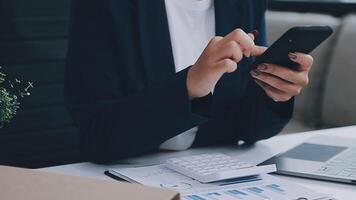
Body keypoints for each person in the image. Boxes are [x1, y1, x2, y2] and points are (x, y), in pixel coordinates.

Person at [65, 0, 313, 163]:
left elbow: (247, 129)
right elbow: (96, 137)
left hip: (214, 173)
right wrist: (190, 85)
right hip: (129, 174)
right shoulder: (105, 6)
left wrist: (275, 93)